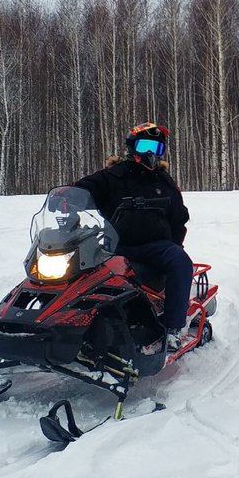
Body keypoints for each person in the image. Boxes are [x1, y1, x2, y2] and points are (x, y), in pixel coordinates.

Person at [74, 122, 192, 351]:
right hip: (117, 246)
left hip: (156, 246)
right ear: (132, 147)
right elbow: (85, 187)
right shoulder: (113, 176)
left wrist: (174, 243)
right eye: (146, 145)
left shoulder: (164, 182)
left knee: (180, 261)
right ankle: (70, 324)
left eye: (157, 148)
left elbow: (180, 219)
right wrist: (67, 198)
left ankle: (173, 328)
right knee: (79, 270)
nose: (151, 153)